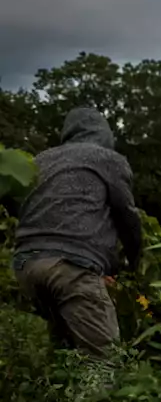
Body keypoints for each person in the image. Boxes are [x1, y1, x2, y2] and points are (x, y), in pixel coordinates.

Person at [11, 107, 141, 358]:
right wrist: (134, 261)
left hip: (25, 265)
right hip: (69, 267)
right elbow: (127, 216)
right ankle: (99, 398)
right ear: (105, 134)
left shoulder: (40, 160)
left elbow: (30, 208)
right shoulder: (107, 159)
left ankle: (51, 395)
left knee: (65, 349)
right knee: (103, 358)